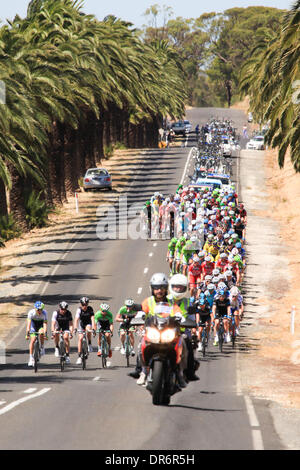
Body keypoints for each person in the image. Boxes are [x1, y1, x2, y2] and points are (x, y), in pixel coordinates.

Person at [74, 297, 96, 365]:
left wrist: (93, 329)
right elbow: (76, 319)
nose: (84, 306)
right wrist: (75, 328)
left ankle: (89, 343)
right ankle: (79, 356)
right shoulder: (79, 310)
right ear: (81, 304)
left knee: (88, 329)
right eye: (83, 305)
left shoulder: (90, 309)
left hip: (88, 323)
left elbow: (92, 319)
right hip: (82, 324)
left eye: (86, 304)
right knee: (80, 338)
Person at [26, 301, 48, 367]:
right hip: (33, 325)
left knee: (41, 333)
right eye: (38, 310)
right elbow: (29, 325)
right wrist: (27, 334)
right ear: (35, 309)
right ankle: (30, 358)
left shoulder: (44, 313)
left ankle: (42, 347)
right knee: (33, 340)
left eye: (41, 310)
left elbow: (45, 324)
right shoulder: (31, 313)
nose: (39, 311)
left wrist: (45, 334)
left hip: (40, 325)